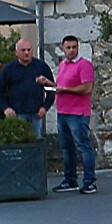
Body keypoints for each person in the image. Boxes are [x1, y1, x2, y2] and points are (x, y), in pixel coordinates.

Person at [35, 35, 96, 194]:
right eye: (68, 47)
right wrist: (48, 83)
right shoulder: (63, 65)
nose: (71, 50)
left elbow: (86, 88)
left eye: (74, 47)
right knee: (67, 148)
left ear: (78, 47)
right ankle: (70, 180)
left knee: (83, 146)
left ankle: (89, 182)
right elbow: (60, 86)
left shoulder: (84, 65)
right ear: (63, 48)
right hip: (63, 111)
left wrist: (65, 90)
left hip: (78, 113)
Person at [0, 38, 55, 139]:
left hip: (36, 114)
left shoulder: (41, 67)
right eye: (23, 50)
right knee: (18, 143)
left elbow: (52, 90)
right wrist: (6, 108)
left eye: (29, 50)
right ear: (16, 52)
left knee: (36, 143)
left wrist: (45, 107)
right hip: (16, 114)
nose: (26, 53)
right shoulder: (9, 69)